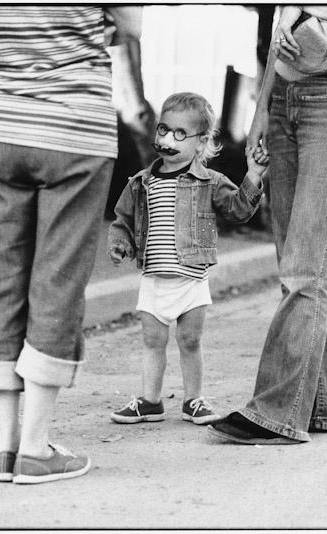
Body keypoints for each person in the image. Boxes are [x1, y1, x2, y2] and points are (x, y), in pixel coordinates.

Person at [0, 5, 141, 484]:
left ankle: (4, 447)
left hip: (0, 126)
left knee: (2, 280)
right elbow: (133, 25)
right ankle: (36, 449)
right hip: (74, 129)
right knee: (57, 281)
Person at [209, 5, 327, 444]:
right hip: (284, 100)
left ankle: (275, 412)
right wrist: (261, 109)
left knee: (303, 268)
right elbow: (279, 30)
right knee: (304, 265)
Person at [107, 92, 267, 426]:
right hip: (154, 279)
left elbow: (239, 209)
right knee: (152, 341)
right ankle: (150, 401)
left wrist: (253, 176)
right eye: (164, 129)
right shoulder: (141, 182)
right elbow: (122, 220)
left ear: (201, 143)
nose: (167, 139)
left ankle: (193, 400)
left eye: (180, 134)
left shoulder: (210, 183)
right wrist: (120, 244)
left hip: (191, 279)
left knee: (190, 341)